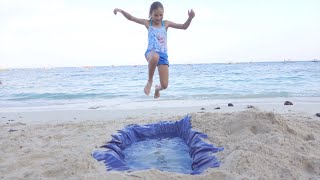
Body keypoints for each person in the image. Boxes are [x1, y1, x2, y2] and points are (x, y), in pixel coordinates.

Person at [114, 1, 195, 99]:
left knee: (165, 85)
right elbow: (131, 18)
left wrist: (190, 18)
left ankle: (157, 89)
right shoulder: (148, 23)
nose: (158, 17)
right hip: (151, 53)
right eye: (156, 15)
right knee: (155, 56)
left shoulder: (166, 24)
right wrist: (121, 11)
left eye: (161, 15)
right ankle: (150, 81)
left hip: (163, 55)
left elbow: (183, 27)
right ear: (151, 14)